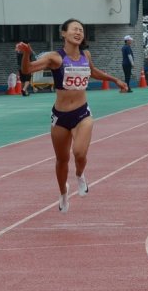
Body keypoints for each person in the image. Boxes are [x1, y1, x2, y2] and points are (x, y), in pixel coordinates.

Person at [17, 19, 128, 213]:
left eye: (81, 30)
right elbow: (27, 70)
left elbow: (93, 72)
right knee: (61, 160)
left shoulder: (85, 54)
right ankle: (63, 193)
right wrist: (26, 54)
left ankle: (80, 174)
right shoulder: (55, 58)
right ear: (63, 33)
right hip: (60, 117)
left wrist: (115, 79)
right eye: (74, 29)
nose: (78, 32)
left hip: (81, 113)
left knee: (79, 153)